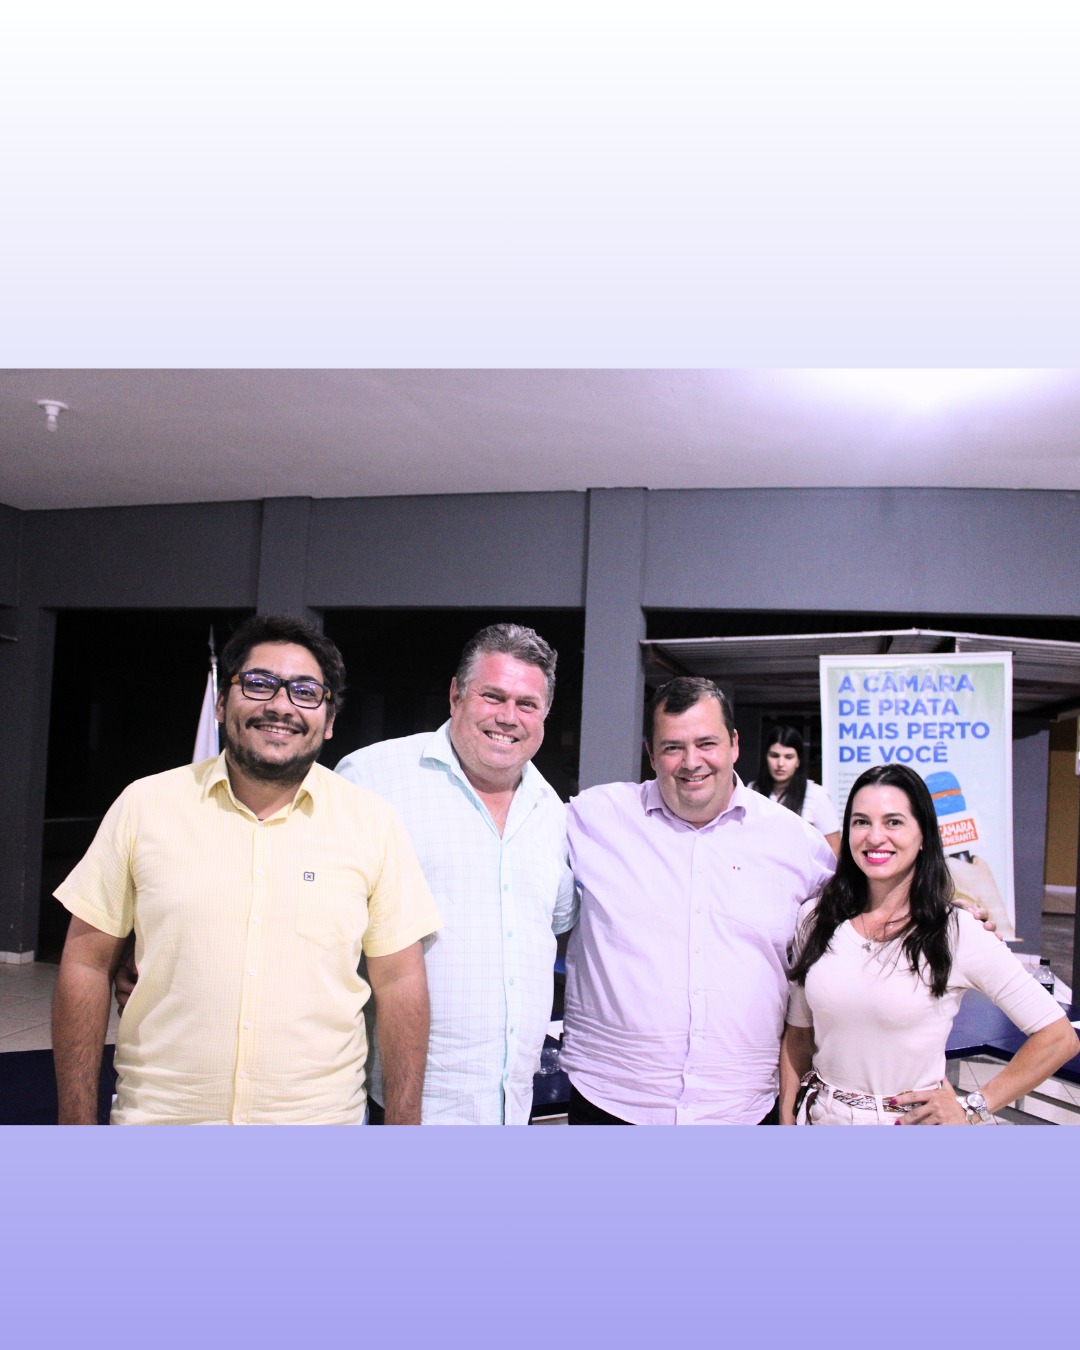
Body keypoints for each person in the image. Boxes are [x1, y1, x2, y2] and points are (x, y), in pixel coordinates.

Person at [51, 614, 440, 1125]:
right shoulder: (144, 806)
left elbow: (401, 982)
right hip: (161, 1121)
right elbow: (85, 964)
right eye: (258, 683)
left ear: (329, 720)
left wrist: (405, 1126)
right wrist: (74, 1129)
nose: (280, 705)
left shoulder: (373, 823)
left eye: (305, 692)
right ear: (221, 702)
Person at [560, 676, 837, 1124]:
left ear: (734, 744)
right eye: (673, 747)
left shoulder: (796, 842)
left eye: (706, 743)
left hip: (743, 1108)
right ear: (651, 754)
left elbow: (867, 916)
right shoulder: (595, 818)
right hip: (610, 1101)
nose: (692, 762)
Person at [335, 623, 576, 1125]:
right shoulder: (372, 778)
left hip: (512, 1105)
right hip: (402, 1106)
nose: (508, 717)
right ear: (455, 694)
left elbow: (552, 926)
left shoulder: (552, 811)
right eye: (493, 696)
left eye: (527, 704)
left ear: (545, 714)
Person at [780, 763, 1078, 1125]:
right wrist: (787, 1122)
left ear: (923, 835)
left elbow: (1058, 1037)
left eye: (893, 822)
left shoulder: (957, 931)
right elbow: (798, 1036)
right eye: (861, 822)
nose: (875, 837)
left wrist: (973, 1107)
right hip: (819, 1117)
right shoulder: (816, 919)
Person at [749, 724, 841, 856]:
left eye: (788, 757)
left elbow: (834, 849)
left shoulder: (816, 794)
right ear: (766, 757)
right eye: (774, 756)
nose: (780, 764)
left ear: (798, 761)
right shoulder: (752, 790)